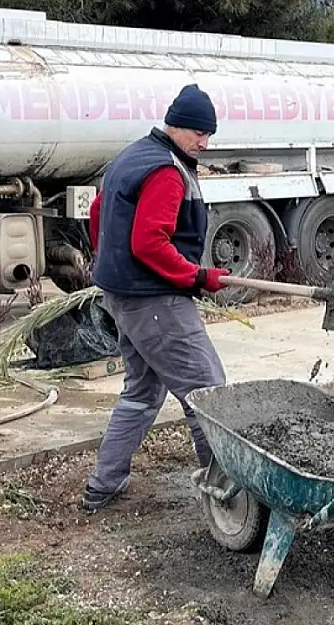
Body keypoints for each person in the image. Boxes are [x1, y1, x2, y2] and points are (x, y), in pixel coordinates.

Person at [82, 83, 232, 512]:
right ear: (177, 126)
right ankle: (231, 497)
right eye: (200, 134)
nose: (204, 144)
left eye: (209, 136)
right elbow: (149, 243)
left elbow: (98, 216)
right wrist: (197, 276)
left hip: (123, 295)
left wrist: (112, 269)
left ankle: (103, 484)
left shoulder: (130, 156)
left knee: (142, 392)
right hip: (154, 300)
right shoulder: (167, 170)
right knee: (207, 393)